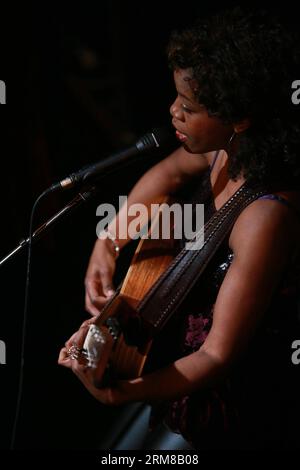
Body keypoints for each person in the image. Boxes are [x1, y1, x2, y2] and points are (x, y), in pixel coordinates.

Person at [58, 6, 300, 449]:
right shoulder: (222, 150)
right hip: (169, 360)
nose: (173, 112)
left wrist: (119, 392)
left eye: (189, 107)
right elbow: (165, 177)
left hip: (230, 404)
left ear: (239, 118)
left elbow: (218, 354)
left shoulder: (266, 217)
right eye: (175, 99)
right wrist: (109, 240)